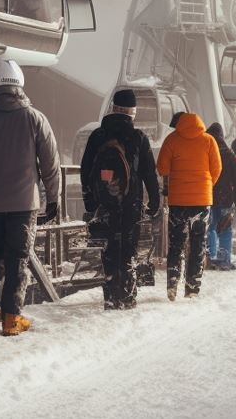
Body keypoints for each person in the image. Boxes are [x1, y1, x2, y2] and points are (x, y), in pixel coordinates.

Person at [0, 60, 60, 336]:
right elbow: (50, 163)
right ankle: (12, 317)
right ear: (20, 85)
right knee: (18, 255)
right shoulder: (34, 118)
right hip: (23, 202)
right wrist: (53, 198)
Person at [80, 89, 161, 310]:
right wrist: (154, 202)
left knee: (108, 248)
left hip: (103, 203)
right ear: (132, 112)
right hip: (130, 203)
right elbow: (149, 174)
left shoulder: (97, 136)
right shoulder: (138, 138)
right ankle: (126, 297)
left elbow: (85, 169)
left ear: (114, 108)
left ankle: (110, 296)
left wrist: (90, 202)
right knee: (127, 250)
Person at [157, 112, 221, 300]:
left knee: (176, 243)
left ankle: (172, 283)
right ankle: (192, 287)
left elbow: (162, 168)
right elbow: (217, 169)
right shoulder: (209, 140)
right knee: (198, 243)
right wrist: (206, 186)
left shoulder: (171, 140)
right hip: (202, 201)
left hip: (178, 201)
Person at [205, 123, 236, 270]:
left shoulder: (206, 152)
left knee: (209, 227)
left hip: (208, 196)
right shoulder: (229, 155)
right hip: (226, 198)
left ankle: (209, 257)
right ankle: (224, 259)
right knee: (225, 228)